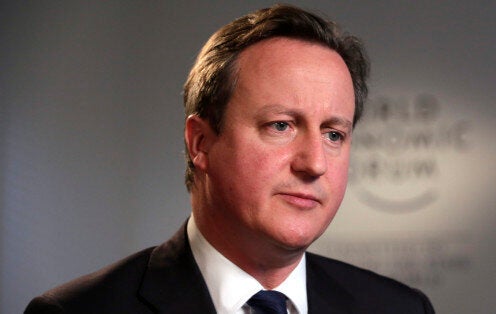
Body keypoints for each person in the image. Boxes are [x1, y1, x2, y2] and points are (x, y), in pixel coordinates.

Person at [25, 4, 434, 314]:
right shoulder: (77, 312)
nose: (315, 164)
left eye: (334, 134)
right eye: (281, 126)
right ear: (200, 143)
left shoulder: (399, 308)